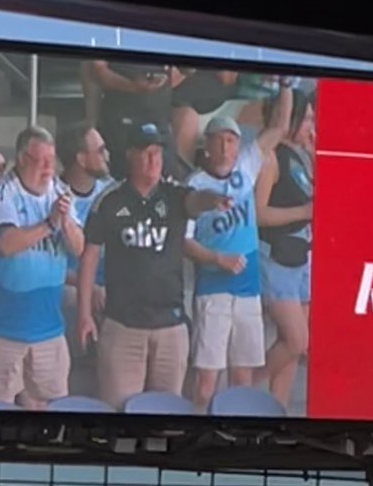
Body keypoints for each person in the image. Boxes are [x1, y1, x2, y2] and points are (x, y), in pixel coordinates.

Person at [76, 121, 233, 409]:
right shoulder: (109, 201)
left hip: (170, 327)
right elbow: (89, 256)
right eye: (146, 153)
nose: (153, 160)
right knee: (119, 411)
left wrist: (212, 199)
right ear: (130, 155)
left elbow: (195, 201)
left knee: (166, 414)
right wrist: (84, 314)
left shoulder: (175, 194)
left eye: (158, 153)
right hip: (123, 325)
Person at [183, 83, 294, 411]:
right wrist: (218, 259)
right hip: (212, 290)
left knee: (242, 379)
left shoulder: (246, 165)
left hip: (248, 289)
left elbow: (279, 127)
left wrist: (286, 86)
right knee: (206, 382)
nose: (227, 146)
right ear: (207, 146)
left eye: (232, 140)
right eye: (220, 139)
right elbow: (184, 243)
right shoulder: (193, 184)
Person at [0, 126, 84, 408]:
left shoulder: (60, 191)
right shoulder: (1, 190)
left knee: (43, 415)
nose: (48, 167)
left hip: (48, 329)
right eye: (40, 160)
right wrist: (48, 224)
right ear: (21, 158)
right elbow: (4, 245)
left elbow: (79, 247)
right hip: (1, 329)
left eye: (51, 159)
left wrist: (65, 220)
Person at [256, 90, 315, 409]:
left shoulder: (298, 156)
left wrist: (314, 149)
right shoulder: (270, 157)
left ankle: (275, 407)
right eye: (305, 118)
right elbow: (258, 213)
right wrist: (302, 213)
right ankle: (248, 385)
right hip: (275, 258)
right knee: (297, 340)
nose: (311, 124)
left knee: (291, 346)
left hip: (300, 256)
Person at [88, 59, 184, 179]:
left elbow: (187, 69)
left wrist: (164, 81)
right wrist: (133, 87)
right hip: (121, 116)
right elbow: (97, 71)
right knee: (123, 175)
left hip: (159, 116)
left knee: (168, 175)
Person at [56, 121, 112, 317]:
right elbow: (46, 265)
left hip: (109, 287)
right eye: (100, 150)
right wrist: (88, 286)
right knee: (71, 296)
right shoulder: (52, 196)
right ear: (81, 159)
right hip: (71, 285)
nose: (107, 156)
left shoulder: (111, 192)